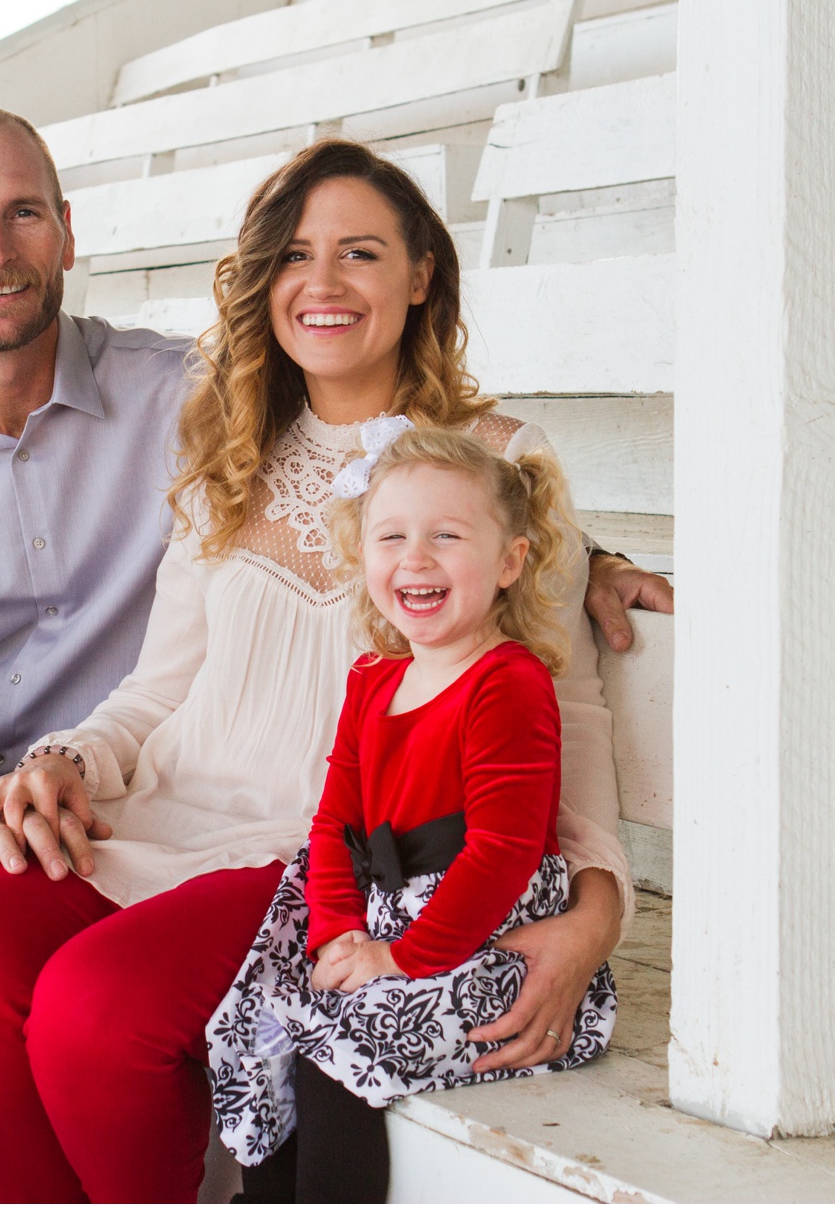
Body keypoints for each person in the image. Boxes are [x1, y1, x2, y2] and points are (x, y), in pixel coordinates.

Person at [0, 112, 671, 1189]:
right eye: (293, 253)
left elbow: (563, 725)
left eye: (360, 251)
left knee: (90, 1010)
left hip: (327, 858)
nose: (322, 280)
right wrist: (63, 761)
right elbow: (157, 686)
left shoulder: (502, 465)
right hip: (161, 810)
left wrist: (592, 920)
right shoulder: (223, 438)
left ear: (422, 274)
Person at [206, 423, 617, 1202]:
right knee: (254, 1017)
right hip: (379, 922)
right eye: (391, 535)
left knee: (341, 1037)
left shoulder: (507, 682)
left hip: (482, 940)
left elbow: (499, 855)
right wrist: (337, 934)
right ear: (364, 556)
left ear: (509, 561)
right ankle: (269, 1195)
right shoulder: (372, 679)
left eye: (446, 535)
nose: (415, 557)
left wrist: (397, 958)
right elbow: (332, 828)